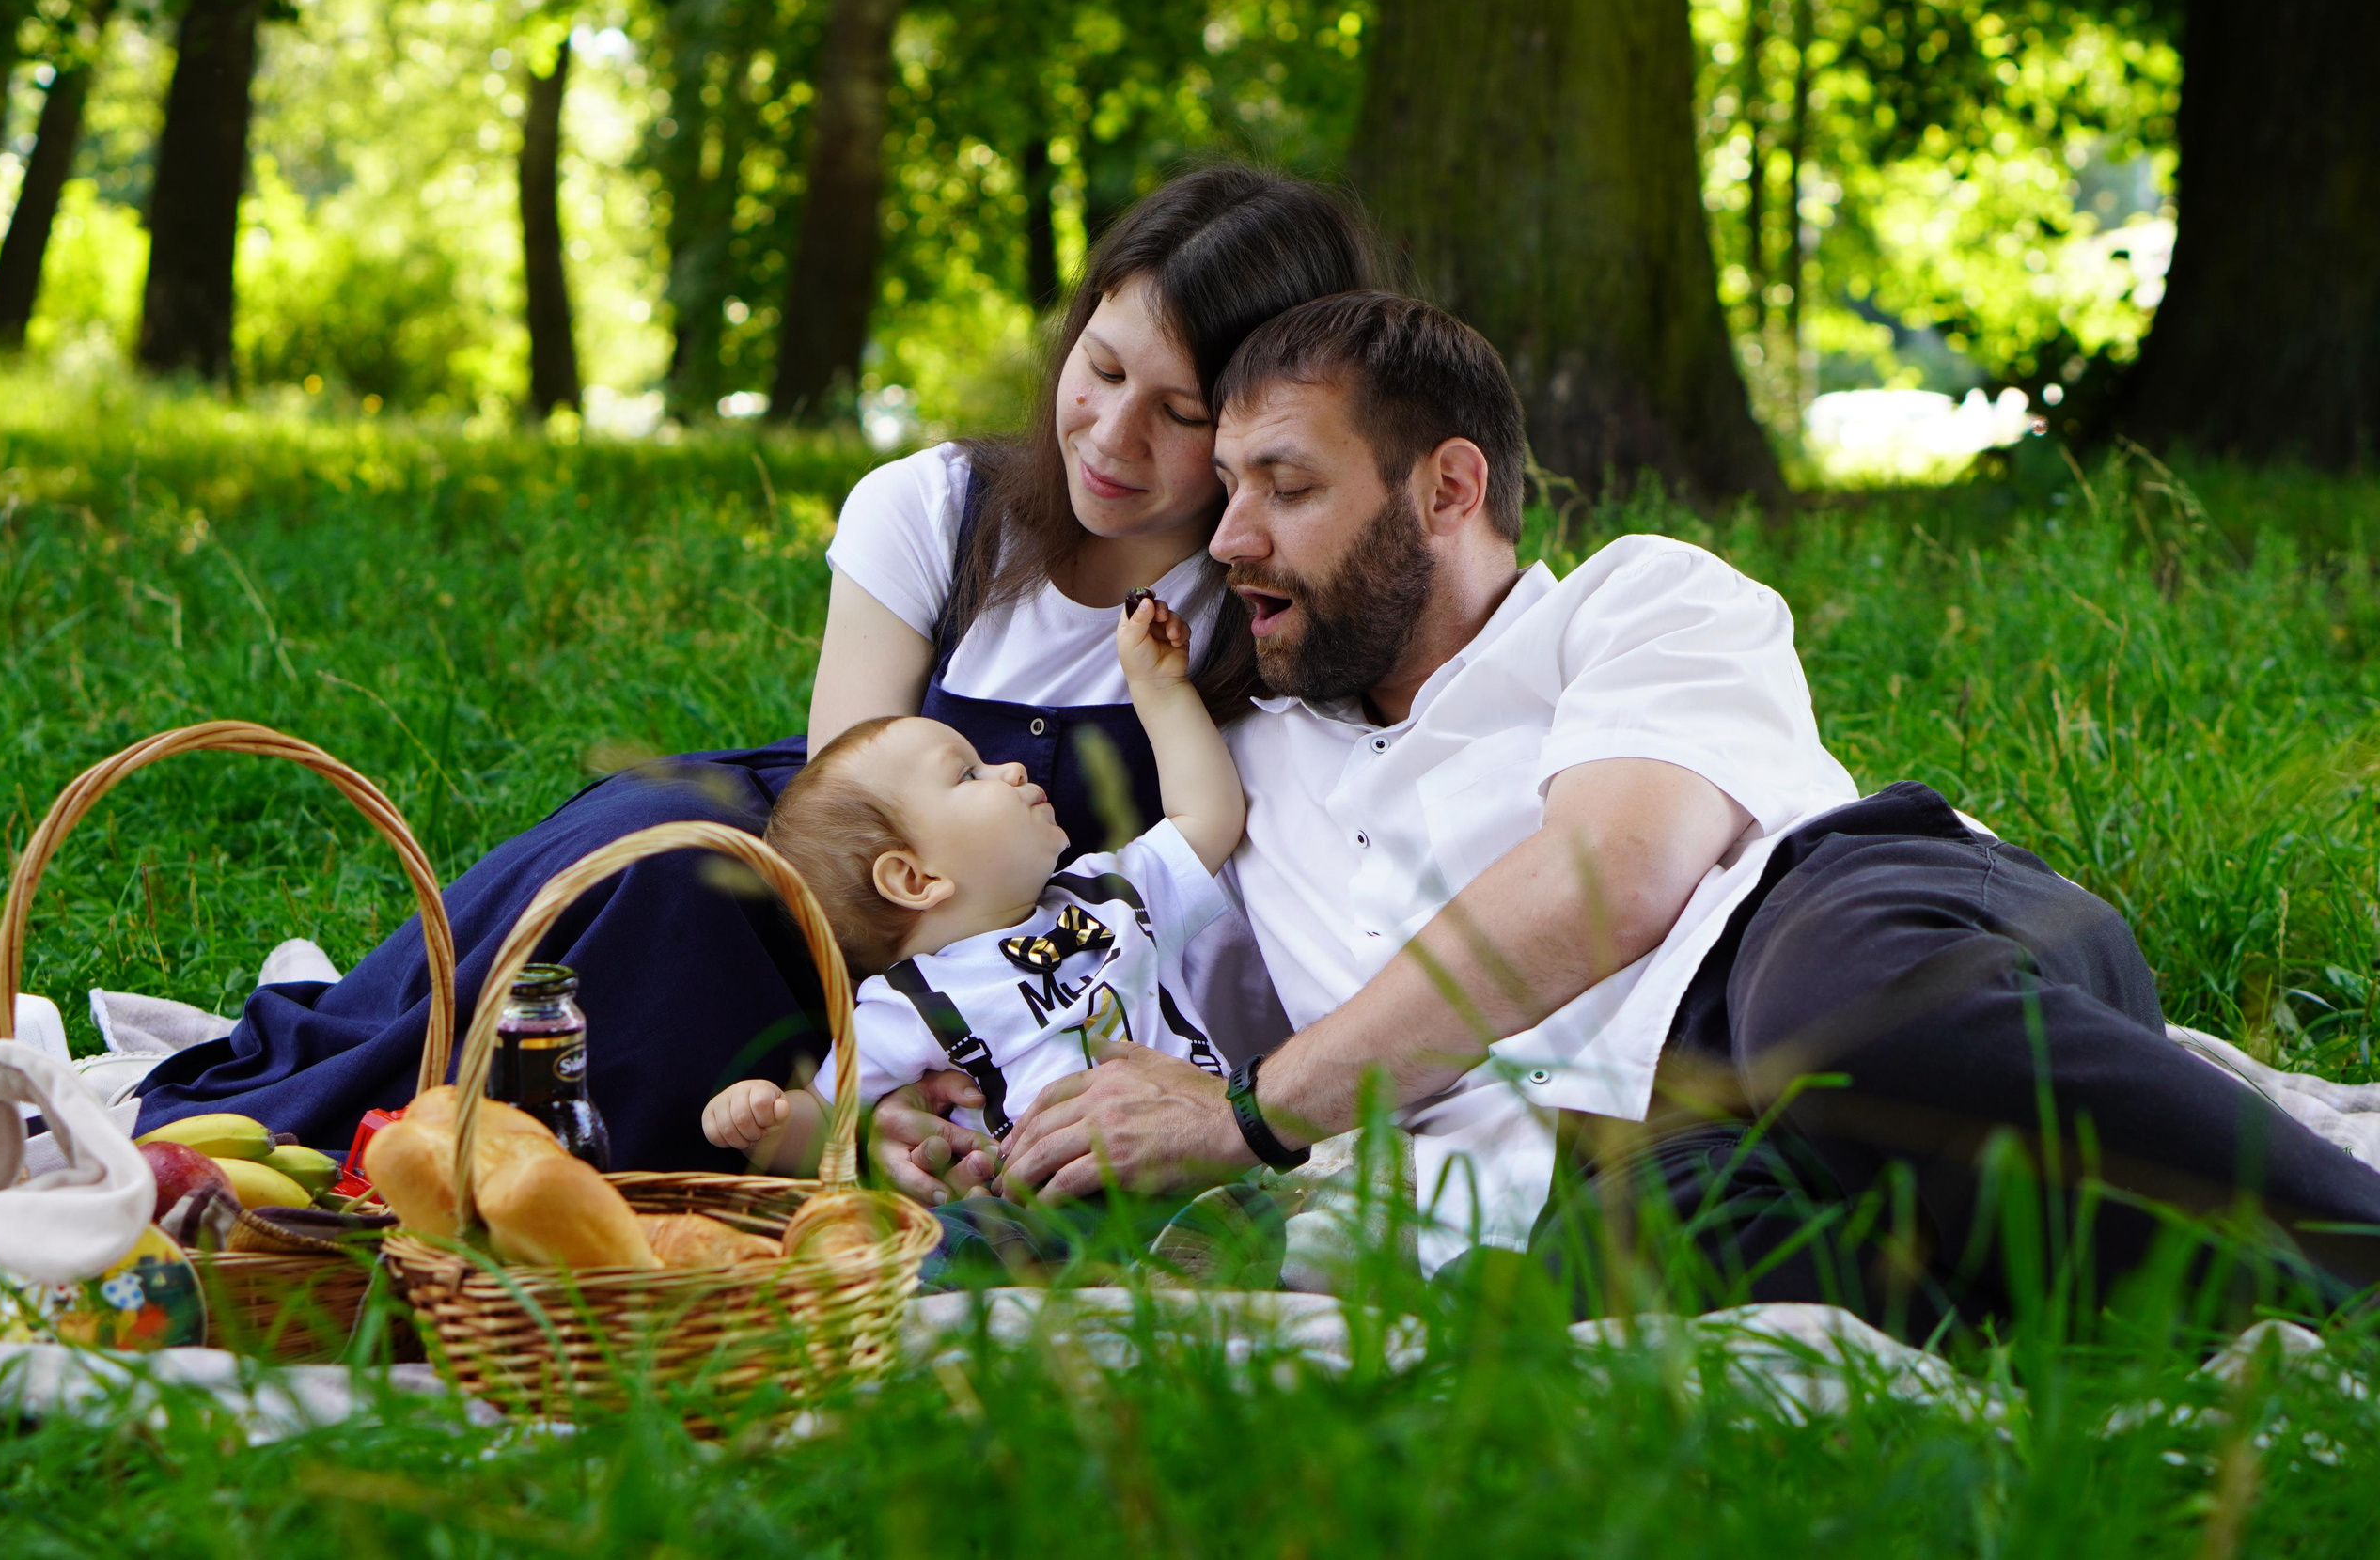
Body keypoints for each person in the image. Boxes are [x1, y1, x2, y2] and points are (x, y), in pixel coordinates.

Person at [880, 289, 2380, 1328]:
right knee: (1623, 1258)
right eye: (1229, 495)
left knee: (1848, 1024)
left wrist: (1259, 1116)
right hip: (1633, 1141)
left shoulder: (1637, 598)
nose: (1234, 536)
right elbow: (1052, 937)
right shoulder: (1240, 760)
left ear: (1448, 488)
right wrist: (910, 1085)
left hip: (1832, 923)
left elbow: (1623, 870)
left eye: (1285, 486)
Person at [133, 165, 1383, 1172]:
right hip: (835, 902)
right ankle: (317, 1129)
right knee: (670, 868)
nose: (1112, 436)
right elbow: (845, 813)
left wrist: (912, 1073)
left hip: (1019, 993)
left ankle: (498, 1172)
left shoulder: (1259, 602)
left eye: (1179, 412)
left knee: (680, 958)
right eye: (1102, 370)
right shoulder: (941, 512)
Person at [701, 597, 1243, 1186]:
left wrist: (1161, 689)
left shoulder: (1110, 893)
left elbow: (1208, 816)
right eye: (968, 774)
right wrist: (769, 1122)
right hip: (1058, 1209)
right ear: (916, 880)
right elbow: (832, 1116)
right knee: (959, 1243)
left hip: (1207, 1155)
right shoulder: (912, 1003)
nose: (1010, 768)